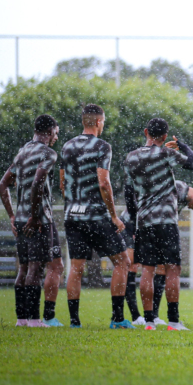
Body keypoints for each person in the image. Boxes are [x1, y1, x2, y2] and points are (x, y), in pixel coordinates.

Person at [123, 118, 193, 331]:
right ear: (165, 137)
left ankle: (149, 321)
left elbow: (128, 193)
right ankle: (173, 321)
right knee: (172, 269)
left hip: (144, 221)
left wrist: (134, 221)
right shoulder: (167, 153)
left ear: (146, 131)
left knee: (147, 270)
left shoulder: (131, 157)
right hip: (166, 220)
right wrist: (182, 145)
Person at [59, 104, 131, 328]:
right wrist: (113, 216)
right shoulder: (102, 146)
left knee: (76, 268)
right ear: (99, 122)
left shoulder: (67, 146)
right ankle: (118, 319)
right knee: (122, 262)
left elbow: (62, 184)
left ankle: (74, 322)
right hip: (96, 215)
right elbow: (103, 182)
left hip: (72, 215)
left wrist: (75, 202)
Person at [0, 114, 61, 327]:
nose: (56, 138)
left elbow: (2, 185)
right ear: (50, 131)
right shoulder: (48, 154)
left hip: (20, 219)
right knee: (36, 268)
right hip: (38, 220)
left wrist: (13, 215)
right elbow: (37, 185)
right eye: (56, 133)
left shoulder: (22, 153)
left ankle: (21, 319)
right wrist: (35, 216)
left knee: (23, 268)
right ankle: (35, 320)